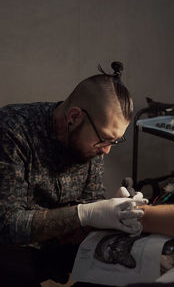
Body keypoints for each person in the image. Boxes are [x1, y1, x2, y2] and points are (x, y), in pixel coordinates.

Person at [0, 61, 143, 287]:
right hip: (12, 251)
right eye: (104, 139)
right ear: (74, 117)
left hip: (57, 248)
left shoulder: (92, 142)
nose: (106, 150)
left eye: (114, 141)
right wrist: (85, 214)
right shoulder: (11, 129)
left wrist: (113, 210)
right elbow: (6, 225)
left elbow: (90, 200)